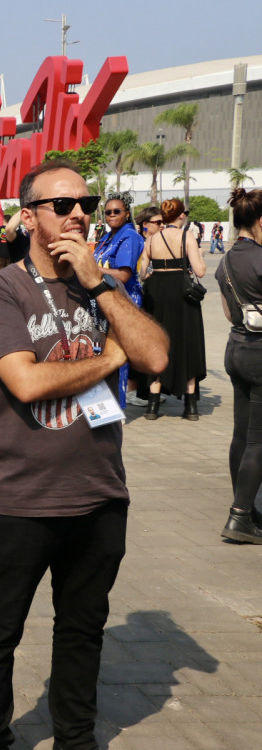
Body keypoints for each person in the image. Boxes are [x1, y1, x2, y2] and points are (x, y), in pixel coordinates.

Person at [0, 159, 168, 750]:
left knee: (83, 631)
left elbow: (154, 356)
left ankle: (76, 738)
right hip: (18, 496)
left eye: (86, 201)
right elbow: (25, 383)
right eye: (62, 204)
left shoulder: (102, 284)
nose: (79, 212)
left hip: (100, 492)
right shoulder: (1, 289)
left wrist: (103, 284)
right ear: (29, 216)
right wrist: (110, 359)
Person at [216, 188, 262, 543]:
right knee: (259, 440)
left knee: (241, 435)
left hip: (235, 348)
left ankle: (244, 506)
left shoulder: (227, 259)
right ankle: (240, 516)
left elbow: (230, 313)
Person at [137, 199, 206, 420]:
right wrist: (200, 257)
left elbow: (141, 272)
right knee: (186, 343)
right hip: (181, 292)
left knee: (157, 342)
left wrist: (152, 274)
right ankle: (191, 407)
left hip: (156, 291)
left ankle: (153, 408)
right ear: (180, 215)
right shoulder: (187, 236)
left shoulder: (152, 239)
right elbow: (200, 271)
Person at [93, 194, 147, 408]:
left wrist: (90, 269)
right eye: (108, 212)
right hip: (105, 302)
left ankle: (117, 408)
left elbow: (124, 275)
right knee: (101, 355)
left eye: (117, 211)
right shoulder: (107, 237)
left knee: (118, 357)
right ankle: (102, 407)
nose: (112, 215)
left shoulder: (129, 237)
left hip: (124, 303)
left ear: (127, 213)